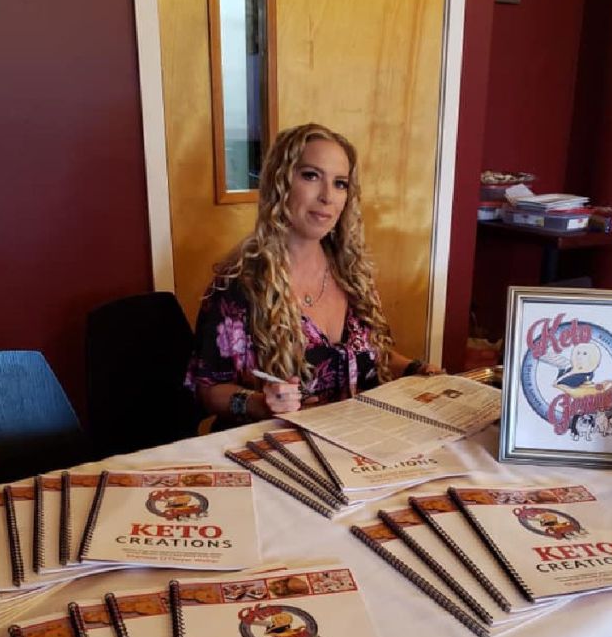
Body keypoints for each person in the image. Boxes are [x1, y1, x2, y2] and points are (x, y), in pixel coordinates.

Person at [186, 122, 438, 429]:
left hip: (354, 441)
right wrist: (258, 403)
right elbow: (208, 389)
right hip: (275, 450)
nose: (327, 197)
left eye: (340, 183)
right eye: (311, 176)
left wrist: (416, 369)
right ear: (280, 183)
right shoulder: (238, 285)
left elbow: (374, 355)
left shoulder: (352, 273)